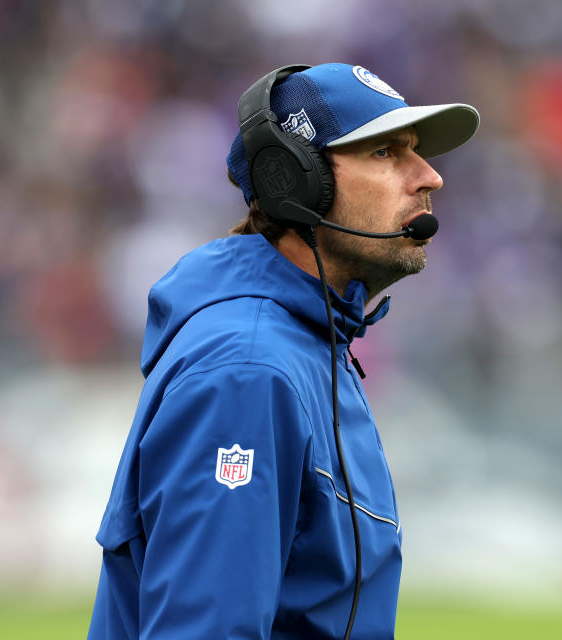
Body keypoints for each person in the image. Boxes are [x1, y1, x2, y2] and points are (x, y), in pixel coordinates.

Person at [87, 63, 479, 639]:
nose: (429, 177)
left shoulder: (309, 346)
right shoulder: (248, 371)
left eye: (415, 151)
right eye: (385, 153)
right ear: (294, 181)